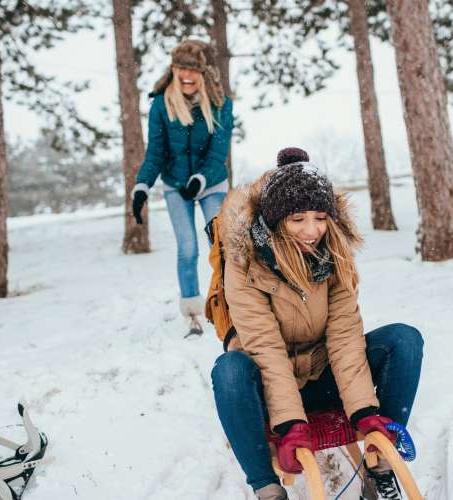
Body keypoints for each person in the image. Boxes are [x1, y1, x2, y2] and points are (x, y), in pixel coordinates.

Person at [210, 148, 424, 500]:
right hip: (269, 384)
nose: (313, 230)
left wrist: (365, 412)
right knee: (229, 370)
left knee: (404, 340)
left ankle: (380, 466)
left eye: (321, 217)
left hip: (325, 376)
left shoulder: (333, 254)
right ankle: (267, 490)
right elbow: (265, 348)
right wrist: (292, 424)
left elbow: (344, 337)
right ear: (276, 220)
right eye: (298, 220)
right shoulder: (246, 262)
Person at [132, 39, 233, 336]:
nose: (186, 75)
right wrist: (141, 185)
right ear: (173, 69)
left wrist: (200, 179)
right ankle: (192, 312)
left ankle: (231, 302)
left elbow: (218, 151)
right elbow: (156, 152)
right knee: (187, 248)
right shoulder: (161, 105)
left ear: (203, 72)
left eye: (192, 69)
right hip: (176, 185)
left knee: (221, 244)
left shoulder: (220, 104)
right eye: (180, 68)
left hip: (212, 183)